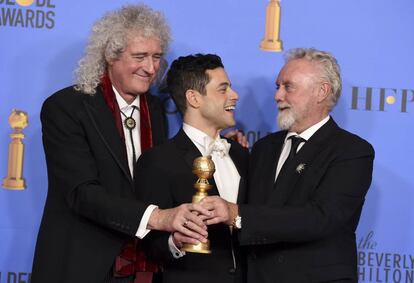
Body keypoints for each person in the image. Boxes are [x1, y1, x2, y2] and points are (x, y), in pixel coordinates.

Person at [31, 5, 211, 283]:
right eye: (139, 56)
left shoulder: (158, 109)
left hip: (144, 268)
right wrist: (159, 218)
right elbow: (82, 193)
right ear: (109, 55)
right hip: (82, 266)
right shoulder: (66, 108)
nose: (150, 68)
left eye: (156, 57)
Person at [201, 48, 375, 283]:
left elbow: (320, 218)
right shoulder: (264, 148)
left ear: (321, 91)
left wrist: (237, 214)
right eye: (277, 86)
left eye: (288, 87)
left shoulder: (351, 151)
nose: (277, 96)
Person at [134, 54, 249, 283]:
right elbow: (149, 243)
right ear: (194, 98)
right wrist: (175, 241)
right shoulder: (157, 161)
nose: (234, 96)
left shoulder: (241, 154)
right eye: (223, 89)